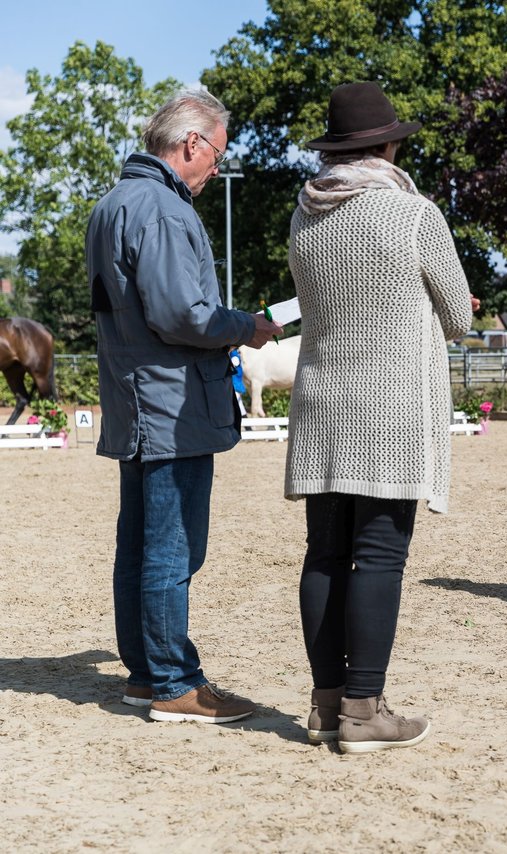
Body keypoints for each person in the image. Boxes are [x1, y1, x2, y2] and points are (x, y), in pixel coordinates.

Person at [284, 82, 476, 754]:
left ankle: (326, 705)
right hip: (389, 408)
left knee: (325, 554)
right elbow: (458, 316)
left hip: (319, 403)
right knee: (379, 558)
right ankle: (366, 711)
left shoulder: (303, 217)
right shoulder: (415, 215)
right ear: (388, 146)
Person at [86, 89, 282, 724]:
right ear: (192, 143)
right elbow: (182, 315)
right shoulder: (166, 211)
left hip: (133, 399)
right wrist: (244, 325)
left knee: (139, 546)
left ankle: (145, 674)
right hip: (172, 405)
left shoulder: (111, 204)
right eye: (218, 155)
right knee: (173, 549)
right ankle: (174, 681)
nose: (217, 169)